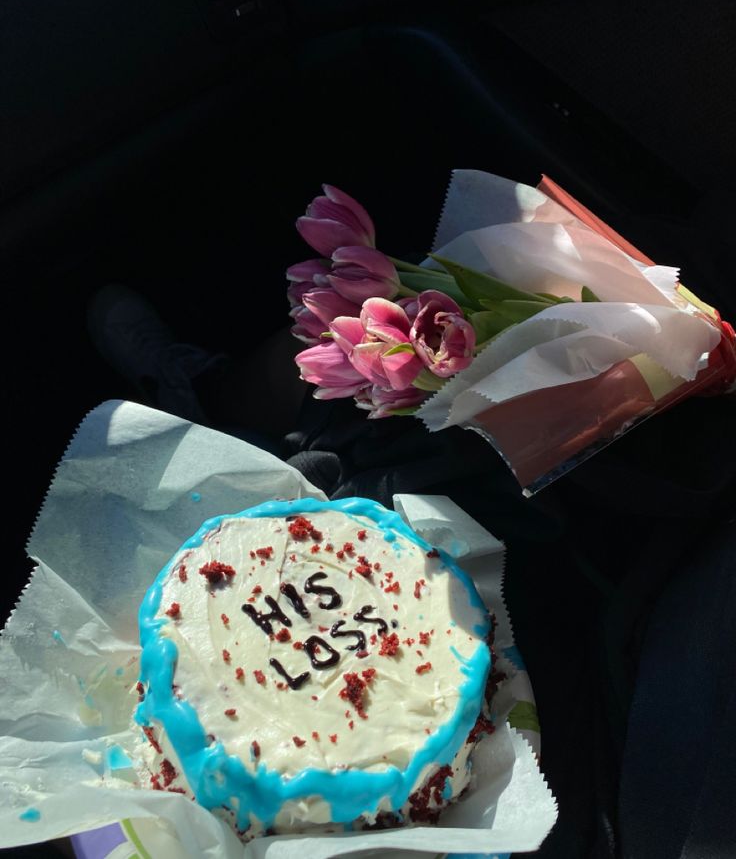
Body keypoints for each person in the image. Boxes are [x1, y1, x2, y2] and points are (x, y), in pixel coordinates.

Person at [86, 271, 736, 859]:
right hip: (613, 605)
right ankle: (209, 397)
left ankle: (196, 396)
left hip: (589, 769)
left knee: (329, 407)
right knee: (353, 369)